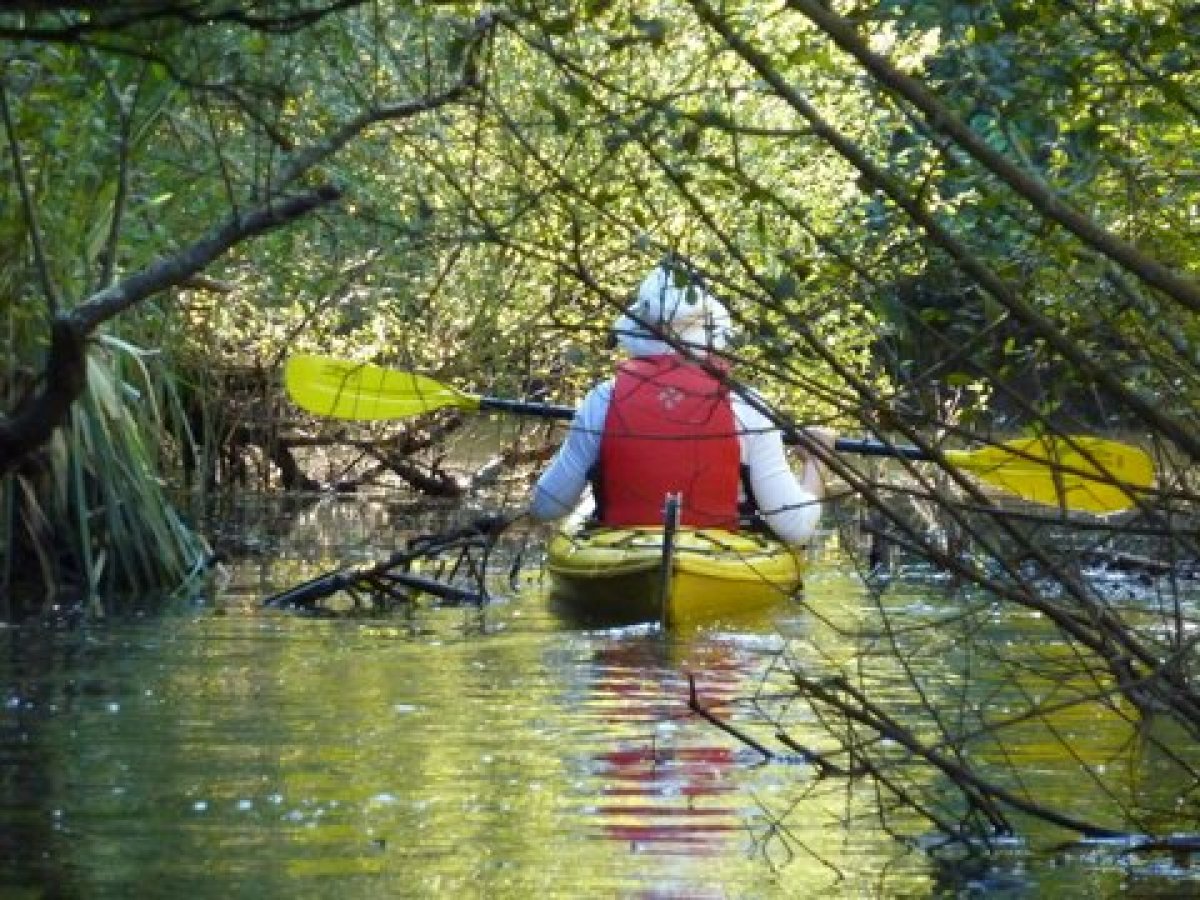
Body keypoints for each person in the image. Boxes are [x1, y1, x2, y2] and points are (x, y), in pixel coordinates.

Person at [529, 262, 835, 545]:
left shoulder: (602, 400)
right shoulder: (748, 407)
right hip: (716, 557)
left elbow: (546, 506)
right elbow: (796, 527)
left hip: (623, 549)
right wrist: (817, 461)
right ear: (713, 330)